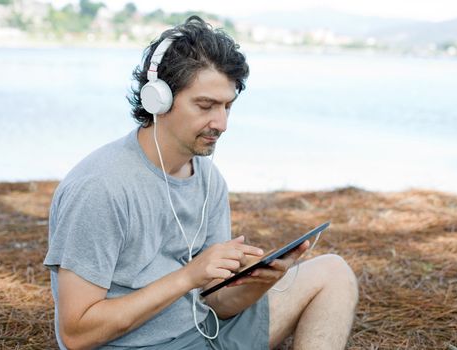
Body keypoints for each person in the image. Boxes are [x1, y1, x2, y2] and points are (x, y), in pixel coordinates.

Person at [43, 16, 358, 350]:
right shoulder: (101, 187)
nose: (221, 123)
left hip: (203, 332)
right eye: (206, 105)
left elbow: (216, 304)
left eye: (227, 106)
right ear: (158, 100)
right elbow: (77, 334)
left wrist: (260, 281)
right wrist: (188, 276)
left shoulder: (208, 179)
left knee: (333, 273)